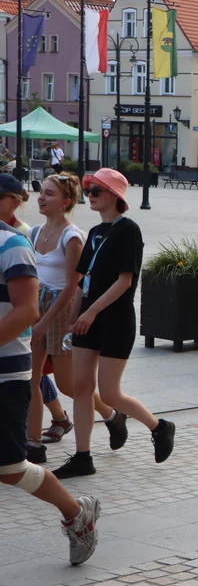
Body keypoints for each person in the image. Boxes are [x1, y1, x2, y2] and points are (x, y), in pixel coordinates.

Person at [53, 169, 176, 479]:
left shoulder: (128, 231)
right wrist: (74, 316)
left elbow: (125, 281)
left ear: (115, 196)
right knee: (82, 388)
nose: (91, 195)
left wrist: (91, 312)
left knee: (109, 393)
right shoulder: (94, 233)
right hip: (87, 318)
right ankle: (83, 456)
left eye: (97, 190)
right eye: (89, 190)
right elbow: (83, 281)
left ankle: (159, 426)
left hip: (116, 319)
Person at [0, 201, 101, 566]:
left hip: (5, 374)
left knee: (10, 470)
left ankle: (76, 514)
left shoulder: (11, 245)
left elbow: (27, 310)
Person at [26, 175, 122, 465]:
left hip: (60, 309)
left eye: (50, 194)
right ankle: (32, 443)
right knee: (32, 377)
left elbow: (73, 285)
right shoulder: (34, 233)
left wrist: (46, 321)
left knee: (70, 385)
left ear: (66, 202)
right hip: (36, 305)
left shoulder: (73, 237)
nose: (41, 198)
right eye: (41, 192)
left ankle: (112, 415)